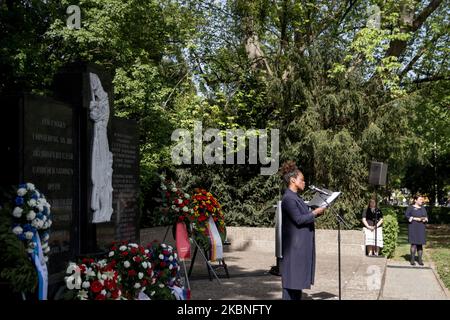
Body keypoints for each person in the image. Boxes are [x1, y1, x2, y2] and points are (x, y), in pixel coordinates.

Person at [279, 161, 326, 300]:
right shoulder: (288, 198)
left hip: (299, 248)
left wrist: (314, 211)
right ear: (293, 180)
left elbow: (303, 216)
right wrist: (315, 213)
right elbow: (299, 219)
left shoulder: (296, 197)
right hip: (294, 249)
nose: (304, 182)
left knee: (297, 283)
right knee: (290, 285)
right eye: (302, 180)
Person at [405, 195, 428, 266]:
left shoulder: (423, 208)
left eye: (422, 200)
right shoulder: (410, 208)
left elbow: (426, 216)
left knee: (420, 244)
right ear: (415, 200)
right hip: (413, 227)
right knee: (414, 244)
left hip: (421, 227)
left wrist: (425, 219)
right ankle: (412, 260)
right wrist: (415, 218)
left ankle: (420, 260)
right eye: (420, 199)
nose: (422, 201)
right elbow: (407, 216)